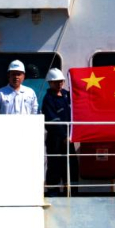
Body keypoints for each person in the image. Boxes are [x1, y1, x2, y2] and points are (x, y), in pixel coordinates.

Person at [41, 68, 78, 196]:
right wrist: (63, 136)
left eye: (61, 81)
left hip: (69, 139)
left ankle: (72, 193)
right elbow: (52, 121)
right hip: (55, 140)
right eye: (56, 82)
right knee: (54, 166)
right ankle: (53, 194)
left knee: (71, 166)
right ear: (50, 83)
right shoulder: (48, 99)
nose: (59, 84)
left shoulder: (67, 95)